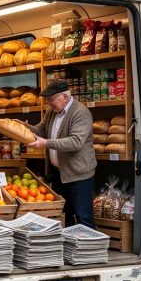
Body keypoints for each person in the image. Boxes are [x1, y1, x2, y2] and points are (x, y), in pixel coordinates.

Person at [22, 80, 97, 228]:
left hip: (78, 174)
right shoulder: (52, 112)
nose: (49, 104)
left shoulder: (81, 112)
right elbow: (41, 131)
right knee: (63, 214)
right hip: (58, 173)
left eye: (51, 100)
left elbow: (75, 142)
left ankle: (90, 250)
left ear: (65, 96)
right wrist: (26, 127)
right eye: (47, 101)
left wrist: (46, 143)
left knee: (83, 216)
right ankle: (69, 249)